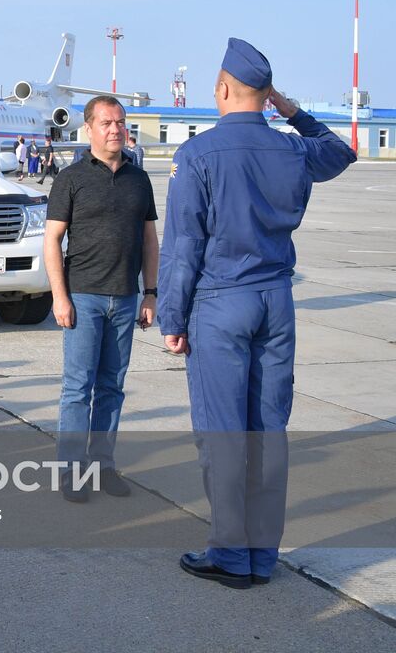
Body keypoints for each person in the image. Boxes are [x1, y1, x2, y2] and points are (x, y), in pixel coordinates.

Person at [160, 38, 355, 589]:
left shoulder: (197, 154)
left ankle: (229, 554)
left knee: (223, 433)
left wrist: (173, 321)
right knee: (268, 431)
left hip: (222, 302)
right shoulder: (292, 149)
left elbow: (183, 248)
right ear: (265, 95)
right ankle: (262, 556)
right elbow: (341, 151)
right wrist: (289, 109)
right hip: (276, 300)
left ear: (222, 89)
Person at [44, 95, 158, 503]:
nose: (116, 130)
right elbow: (53, 241)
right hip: (84, 298)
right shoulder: (71, 178)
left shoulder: (139, 179)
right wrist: (60, 297)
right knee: (78, 387)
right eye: (107, 123)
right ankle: (71, 471)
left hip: (126, 299)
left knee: (112, 387)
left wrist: (150, 294)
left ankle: (103, 465)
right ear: (89, 128)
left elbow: (149, 240)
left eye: (121, 122)